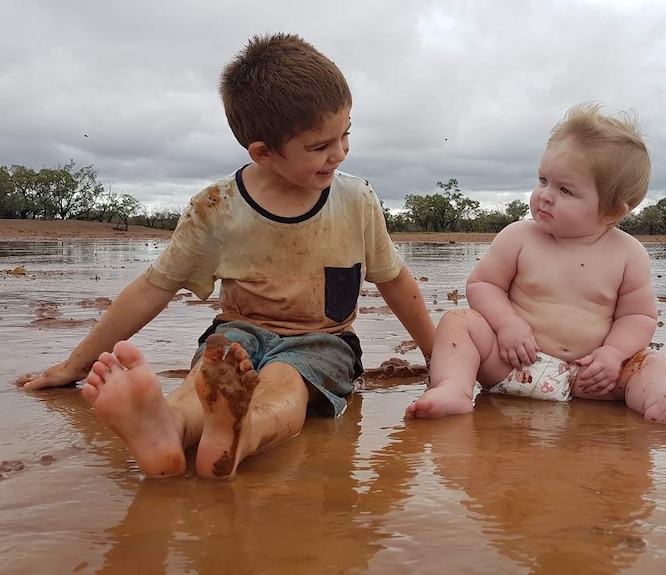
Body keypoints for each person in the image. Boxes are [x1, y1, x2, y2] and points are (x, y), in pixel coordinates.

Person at [19, 32, 435, 478]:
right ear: (263, 152)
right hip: (238, 331)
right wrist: (74, 365)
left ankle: (240, 433)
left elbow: (394, 280)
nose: (340, 152)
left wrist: (439, 357)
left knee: (285, 384)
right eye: (319, 146)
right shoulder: (216, 208)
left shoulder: (356, 199)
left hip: (323, 340)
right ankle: (169, 426)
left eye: (346, 133)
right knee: (209, 377)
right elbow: (151, 289)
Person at [406, 103, 666, 428]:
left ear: (611, 212)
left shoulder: (628, 254)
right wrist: (507, 324)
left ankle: (664, 402)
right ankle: (453, 389)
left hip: (591, 378)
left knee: (651, 363)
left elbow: (638, 315)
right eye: (543, 180)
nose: (545, 195)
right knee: (458, 322)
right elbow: (483, 285)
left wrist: (613, 354)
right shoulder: (519, 237)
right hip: (514, 363)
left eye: (565, 189)